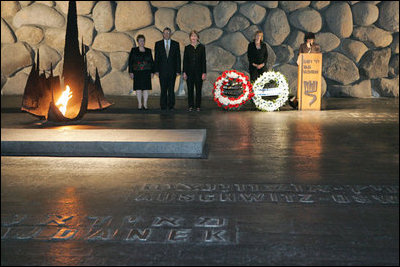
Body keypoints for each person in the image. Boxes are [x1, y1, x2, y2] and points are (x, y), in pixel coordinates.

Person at [289, 32, 321, 109]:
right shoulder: (302, 46)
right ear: (306, 39)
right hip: (305, 69)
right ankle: (302, 102)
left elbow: (318, 56)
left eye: (312, 39)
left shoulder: (316, 46)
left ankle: (313, 103)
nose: (310, 41)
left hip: (313, 69)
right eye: (309, 39)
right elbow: (300, 55)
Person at [154, 27, 181, 111]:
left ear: (170, 34)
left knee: (171, 89)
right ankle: (163, 105)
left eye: (168, 33)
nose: (166, 34)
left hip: (172, 71)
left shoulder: (175, 44)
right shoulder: (158, 44)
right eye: (165, 33)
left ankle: (171, 105)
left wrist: (178, 70)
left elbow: (178, 58)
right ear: (163, 34)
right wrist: (156, 70)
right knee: (163, 89)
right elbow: (156, 58)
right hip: (162, 71)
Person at [128, 34, 154, 110]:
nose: (142, 42)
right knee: (138, 88)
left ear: (144, 41)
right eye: (140, 41)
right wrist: (130, 72)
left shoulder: (148, 50)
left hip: (146, 72)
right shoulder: (133, 50)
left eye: (143, 40)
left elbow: (151, 62)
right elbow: (130, 62)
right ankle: (139, 103)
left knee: (146, 88)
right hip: (137, 72)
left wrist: (152, 72)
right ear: (138, 42)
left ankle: (145, 104)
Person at [183, 30, 207, 112]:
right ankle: (190, 105)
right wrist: (184, 72)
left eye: (195, 36)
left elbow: (203, 61)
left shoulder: (202, 47)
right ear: (190, 38)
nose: (193, 37)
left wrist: (204, 72)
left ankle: (198, 106)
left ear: (197, 37)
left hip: (199, 72)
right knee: (190, 89)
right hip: (189, 73)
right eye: (192, 36)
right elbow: (185, 61)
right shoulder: (187, 48)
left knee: (198, 90)